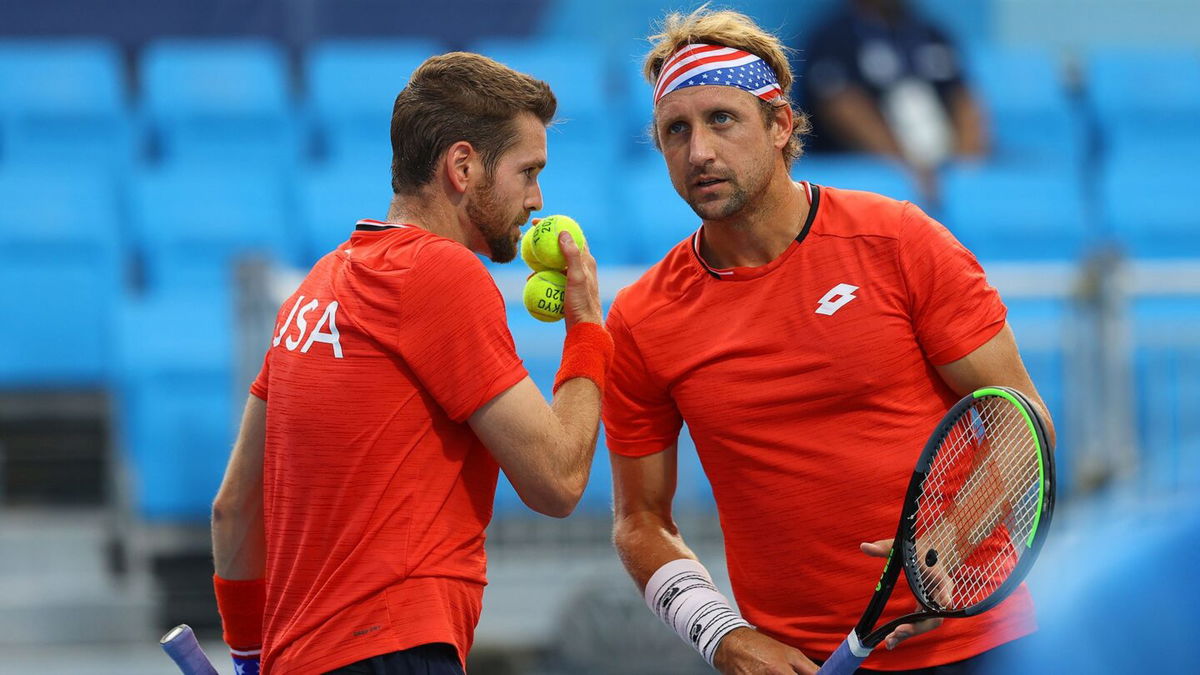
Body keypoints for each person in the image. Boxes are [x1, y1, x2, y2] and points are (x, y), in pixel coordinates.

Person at [605, 8, 1053, 674]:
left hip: (981, 647)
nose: (698, 151)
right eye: (677, 130)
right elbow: (640, 519)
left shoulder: (900, 239)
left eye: (722, 119)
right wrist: (723, 636)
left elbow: (1019, 415)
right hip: (801, 661)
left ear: (781, 124)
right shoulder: (642, 318)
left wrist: (954, 536)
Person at [209, 52, 613, 674]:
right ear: (462, 166)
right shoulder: (441, 271)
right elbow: (557, 481)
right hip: (392, 649)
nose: (537, 199)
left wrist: (246, 659)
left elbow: (234, 508)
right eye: (528, 171)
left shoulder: (315, 287)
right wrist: (587, 326)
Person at [797, 0, 988, 200]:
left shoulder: (933, 33)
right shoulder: (833, 37)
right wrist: (905, 162)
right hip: (865, 171)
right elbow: (838, 105)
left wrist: (964, 172)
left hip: (944, 163)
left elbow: (964, 99)